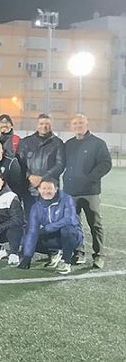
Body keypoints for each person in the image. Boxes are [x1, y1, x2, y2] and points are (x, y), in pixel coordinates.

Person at [62, 114, 111, 269]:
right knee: (74, 224)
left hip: (90, 192)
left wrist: (90, 178)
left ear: (87, 124)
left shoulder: (98, 143)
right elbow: (60, 164)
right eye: (75, 123)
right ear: (71, 126)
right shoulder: (68, 144)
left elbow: (105, 163)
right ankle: (79, 253)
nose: (78, 126)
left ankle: (99, 256)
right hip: (71, 192)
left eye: (81, 123)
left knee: (95, 224)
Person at [18, 179, 83, 275]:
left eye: (49, 188)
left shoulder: (66, 199)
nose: (46, 191)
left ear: (56, 189)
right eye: (43, 188)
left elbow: (69, 219)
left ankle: (66, 262)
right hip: (53, 236)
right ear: (39, 190)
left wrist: (47, 229)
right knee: (25, 239)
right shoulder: (36, 207)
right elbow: (32, 231)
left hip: (72, 237)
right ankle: (54, 253)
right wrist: (27, 257)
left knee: (67, 230)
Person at [17, 114, 65, 214]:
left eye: (47, 124)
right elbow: (20, 164)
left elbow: (60, 165)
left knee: (50, 221)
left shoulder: (58, 143)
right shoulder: (26, 142)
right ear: (37, 125)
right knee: (30, 220)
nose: (44, 126)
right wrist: (29, 176)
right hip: (29, 188)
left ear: (51, 125)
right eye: (41, 123)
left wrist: (42, 178)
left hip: (49, 189)